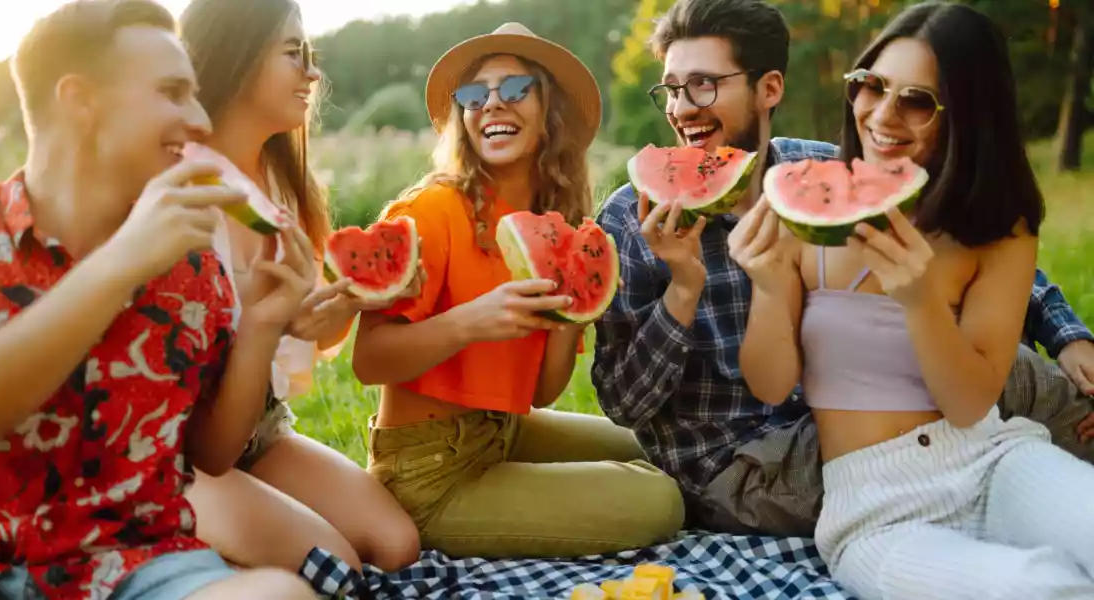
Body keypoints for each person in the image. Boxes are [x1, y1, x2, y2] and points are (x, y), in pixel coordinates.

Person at [592, 0, 1094, 540]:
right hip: (748, 466)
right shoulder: (631, 217)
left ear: (770, 89)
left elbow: (962, 241)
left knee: (1008, 369)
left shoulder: (823, 170)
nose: (682, 108)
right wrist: (682, 293)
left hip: (851, 400)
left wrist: (1066, 335)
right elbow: (623, 405)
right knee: (994, 404)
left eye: (704, 85)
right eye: (671, 88)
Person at [0, 1, 318, 598]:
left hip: (138, 564)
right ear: (80, 100)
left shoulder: (194, 266)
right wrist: (122, 263)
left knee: (280, 594)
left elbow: (212, 454)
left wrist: (262, 326)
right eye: (173, 93)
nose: (199, 119)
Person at [731, 3, 1094, 597]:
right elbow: (770, 385)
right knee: (1042, 587)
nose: (882, 114)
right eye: (870, 86)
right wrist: (770, 288)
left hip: (993, 462)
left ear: (967, 117)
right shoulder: (810, 212)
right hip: (875, 512)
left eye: (916, 100)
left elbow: (971, 404)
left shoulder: (1002, 231)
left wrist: (921, 301)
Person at [351, 23, 686, 560]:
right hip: (429, 474)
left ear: (550, 111)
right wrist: (471, 321)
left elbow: (541, 394)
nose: (491, 105)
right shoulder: (431, 211)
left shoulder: (552, 226)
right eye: (474, 95)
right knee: (661, 498)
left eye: (513, 90)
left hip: (503, 432)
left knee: (665, 451)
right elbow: (368, 361)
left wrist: (571, 312)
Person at [176, 0, 422, 575]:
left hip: (258, 433)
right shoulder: (183, 195)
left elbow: (316, 334)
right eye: (295, 54)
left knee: (396, 545)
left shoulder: (281, 183)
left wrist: (359, 301)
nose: (313, 73)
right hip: (181, 454)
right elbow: (202, 428)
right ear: (234, 56)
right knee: (336, 568)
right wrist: (270, 322)